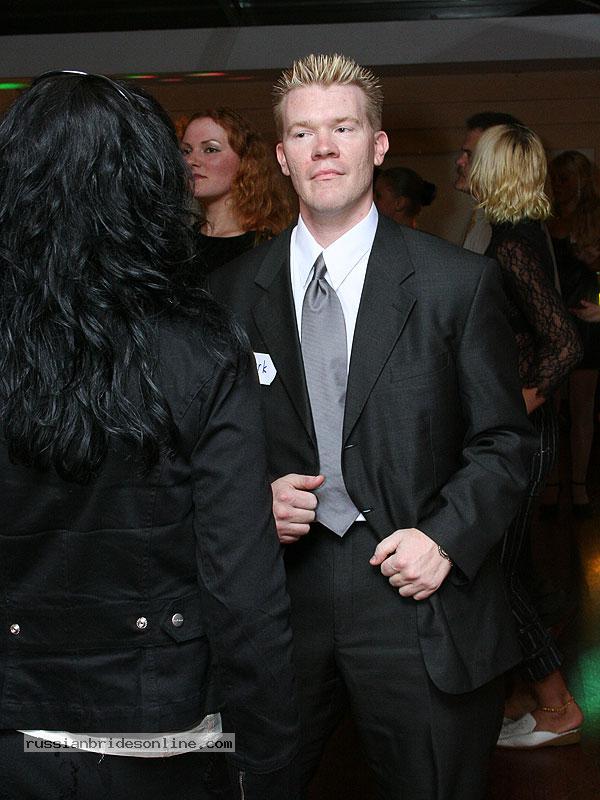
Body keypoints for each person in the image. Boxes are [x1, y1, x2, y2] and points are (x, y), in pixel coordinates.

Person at [211, 52, 537, 800]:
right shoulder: (226, 295)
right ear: (284, 156)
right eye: (304, 133)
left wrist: (445, 539)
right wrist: (249, 501)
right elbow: (196, 447)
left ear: (378, 145)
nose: (324, 147)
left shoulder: (457, 283)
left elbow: (505, 442)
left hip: (415, 595)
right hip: (276, 600)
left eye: (344, 128)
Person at [0, 71, 298, 800]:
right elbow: (242, 585)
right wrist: (266, 759)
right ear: (149, 185)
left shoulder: (197, 343)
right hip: (154, 719)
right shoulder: (201, 344)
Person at [468, 123, 583, 748]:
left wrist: (518, 405)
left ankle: (557, 704)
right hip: (523, 436)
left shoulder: (512, 244)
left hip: (520, 437)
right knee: (508, 568)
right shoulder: (522, 233)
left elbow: (564, 342)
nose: (462, 165)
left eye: (472, 156)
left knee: (498, 575)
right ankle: (520, 693)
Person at [542, 151, 600, 516]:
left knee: (582, 409)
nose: (558, 185)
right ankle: (551, 484)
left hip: (587, 323)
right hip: (551, 324)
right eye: (556, 178)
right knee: (551, 410)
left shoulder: (595, 217)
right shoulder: (544, 219)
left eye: (564, 178)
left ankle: (578, 486)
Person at [181, 107, 295, 272]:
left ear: (245, 161)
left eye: (210, 149)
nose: (191, 160)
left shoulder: (266, 248)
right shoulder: (178, 243)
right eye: (186, 151)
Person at [454, 111, 523, 253]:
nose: (460, 161)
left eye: (470, 155)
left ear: (498, 162)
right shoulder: (484, 216)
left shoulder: (514, 232)